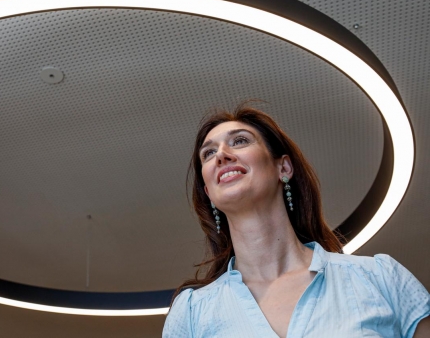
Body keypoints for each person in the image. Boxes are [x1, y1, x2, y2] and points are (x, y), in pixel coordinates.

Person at [163, 102, 430, 338]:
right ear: (209, 192)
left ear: (284, 167)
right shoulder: (191, 313)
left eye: (240, 141)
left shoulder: (380, 277)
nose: (221, 155)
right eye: (208, 154)